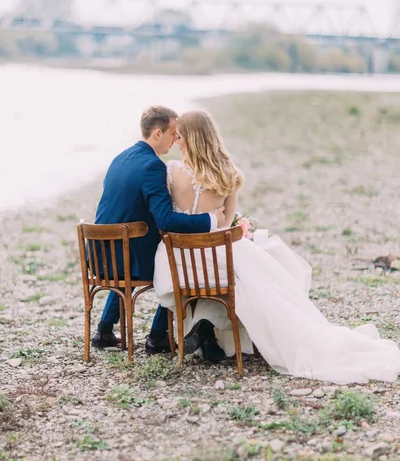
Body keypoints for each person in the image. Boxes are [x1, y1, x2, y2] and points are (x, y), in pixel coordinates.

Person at [153, 110, 400, 384]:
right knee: (253, 277)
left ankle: (204, 330)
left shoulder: (171, 172)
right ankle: (215, 332)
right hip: (216, 255)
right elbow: (228, 227)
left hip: (179, 262)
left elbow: (167, 219)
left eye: (180, 136)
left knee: (241, 276)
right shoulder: (230, 174)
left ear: (190, 139)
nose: (177, 141)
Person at [91, 105, 226, 355]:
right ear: (157, 133)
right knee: (177, 264)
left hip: (101, 256)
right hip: (125, 257)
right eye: (173, 134)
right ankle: (157, 336)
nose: (175, 141)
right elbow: (166, 220)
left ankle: (104, 329)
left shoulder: (121, 157)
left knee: (148, 252)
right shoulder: (153, 166)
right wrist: (210, 220)